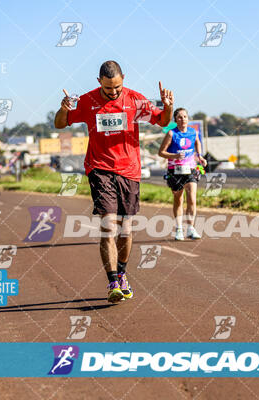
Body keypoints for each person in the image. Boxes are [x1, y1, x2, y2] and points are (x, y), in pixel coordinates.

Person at [54, 60, 173, 303]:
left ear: (123, 79)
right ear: (99, 82)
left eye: (118, 87)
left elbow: (163, 121)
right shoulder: (88, 101)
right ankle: (112, 282)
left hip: (129, 171)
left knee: (126, 230)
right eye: (109, 89)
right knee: (109, 226)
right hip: (100, 169)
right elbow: (59, 123)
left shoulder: (134, 100)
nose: (114, 92)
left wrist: (168, 107)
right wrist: (64, 108)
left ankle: (121, 274)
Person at [158, 108, 206, 240]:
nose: (183, 119)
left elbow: (197, 142)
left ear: (188, 119)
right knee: (179, 199)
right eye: (179, 117)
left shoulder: (192, 132)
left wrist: (200, 156)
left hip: (190, 169)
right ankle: (179, 229)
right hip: (175, 171)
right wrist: (175, 155)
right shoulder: (171, 134)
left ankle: (191, 228)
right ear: (175, 120)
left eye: (185, 116)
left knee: (192, 198)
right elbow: (161, 152)